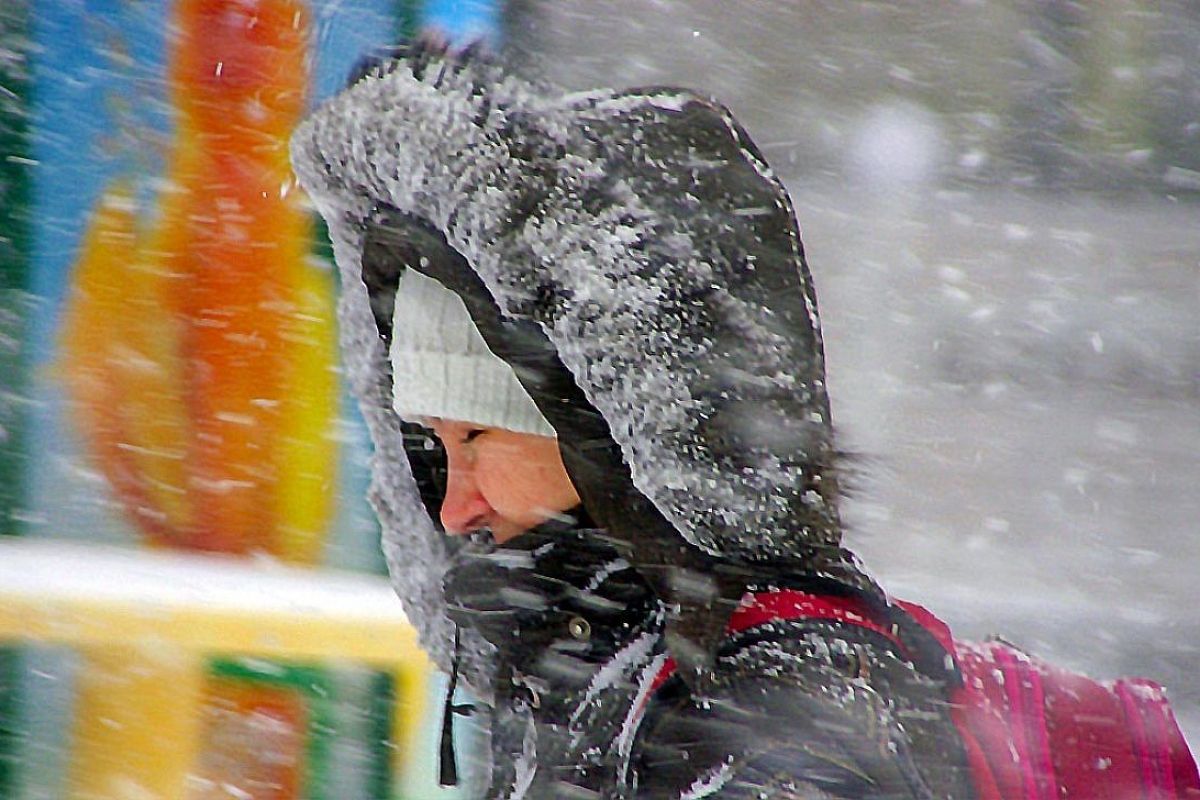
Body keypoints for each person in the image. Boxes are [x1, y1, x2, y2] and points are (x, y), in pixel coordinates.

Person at [291, 46, 1198, 799]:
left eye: (481, 438)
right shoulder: (580, 659)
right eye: (435, 450)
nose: (453, 509)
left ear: (600, 429)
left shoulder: (777, 699)